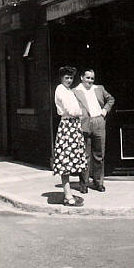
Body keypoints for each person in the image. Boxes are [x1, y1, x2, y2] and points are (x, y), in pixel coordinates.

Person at [73, 68, 115, 193]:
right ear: (82, 77)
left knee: (99, 155)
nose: (90, 81)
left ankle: (98, 182)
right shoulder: (75, 91)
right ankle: (84, 184)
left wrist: (105, 110)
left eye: (92, 78)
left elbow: (111, 99)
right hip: (84, 124)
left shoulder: (99, 88)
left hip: (98, 122)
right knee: (84, 156)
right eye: (88, 78)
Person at [53, 66, 87, 207]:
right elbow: (71, 110)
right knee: (65, 161)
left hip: (73, 126)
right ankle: (67, 195)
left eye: (71, 78)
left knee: (72, 160)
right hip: (67, 126)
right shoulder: (60, 89)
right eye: (66, 77)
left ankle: (68, 194)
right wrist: (80, 111)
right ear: (61, 78)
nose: (69, 80)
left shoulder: (69, 91)